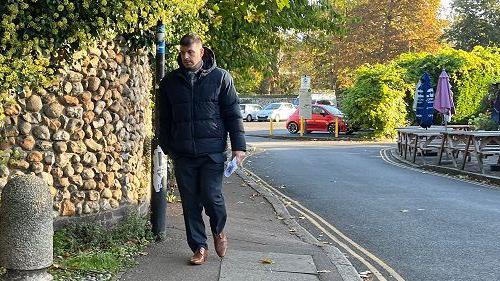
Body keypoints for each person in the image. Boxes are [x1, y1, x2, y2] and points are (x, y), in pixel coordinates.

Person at [158, 33, 246, 265]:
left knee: (211, 196)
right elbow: (163, 119)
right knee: (190, 202)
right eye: (183, 52)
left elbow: (233, 114)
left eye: (191, 52)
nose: (186, 57)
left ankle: (218, 230)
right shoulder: (170, 82)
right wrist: (168, 147)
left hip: (212, 152)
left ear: (202, 52)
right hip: (183, 153)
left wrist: (239, 147)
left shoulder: (220, 78)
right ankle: (199, 247)